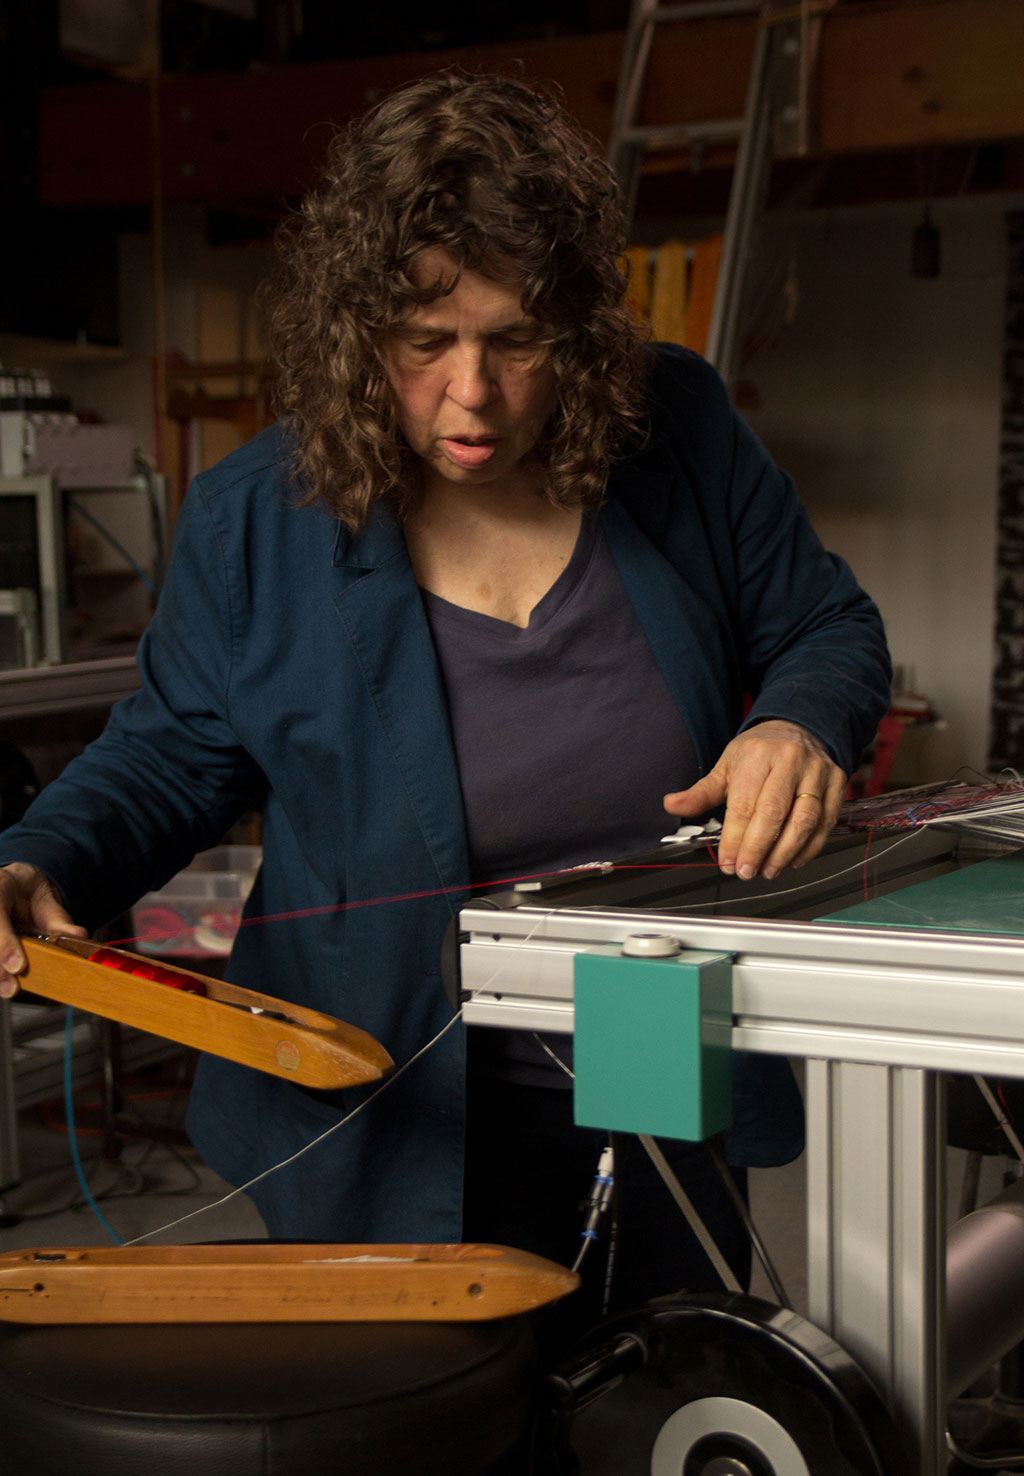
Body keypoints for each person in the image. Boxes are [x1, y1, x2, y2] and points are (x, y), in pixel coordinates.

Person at [0, 71, 889, 1347]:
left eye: (515, 340)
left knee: (660, 1387)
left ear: (577, 331)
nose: (471, 394)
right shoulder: (262, 518)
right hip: (383, 1094)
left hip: (651, 1054)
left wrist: (795, 722)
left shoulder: (675, 426)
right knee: (427, 1421)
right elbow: (167, 755)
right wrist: (38, 857)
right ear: (362, 333)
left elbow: (825, 625)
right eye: (425, 344)